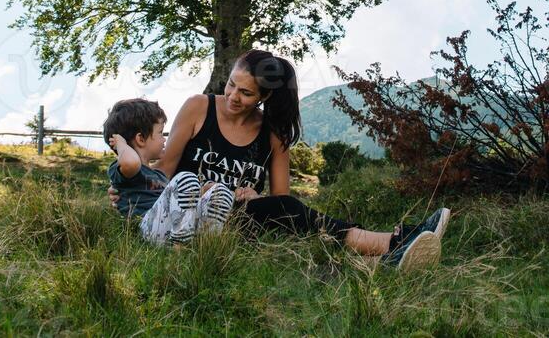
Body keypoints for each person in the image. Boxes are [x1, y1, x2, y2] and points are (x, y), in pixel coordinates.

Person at [107, 50, 451, 271]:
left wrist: (254, 197)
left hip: (235, 221)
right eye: (231, 85)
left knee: (286, 209)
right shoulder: (198, 107)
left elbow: (280, 196)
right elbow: (164, 171)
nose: (232, 97)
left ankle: (388, 249)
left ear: (264, 97)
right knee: (293, 212)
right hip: (185, 218)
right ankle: (392, 243)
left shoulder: (272, 132)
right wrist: (129, 190)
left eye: (245, 93)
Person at [103, 96, 235, 245]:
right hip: (146, 228)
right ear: (140, 139)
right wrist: (121, 144)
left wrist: (204, 191)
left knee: (221, 192)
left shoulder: (159, 175)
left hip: (169, 227)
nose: (164, 139)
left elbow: (179, 202)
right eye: (160, 133)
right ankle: (180, 246)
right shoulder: (126, 169)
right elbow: (131, 162)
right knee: (186, 177)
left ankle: (206, 245)